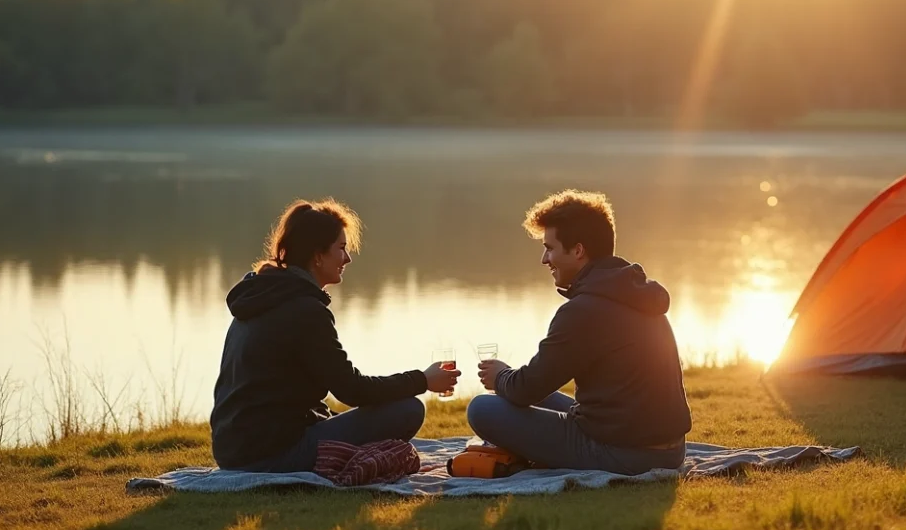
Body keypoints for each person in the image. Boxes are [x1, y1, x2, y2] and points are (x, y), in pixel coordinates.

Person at [210, 198, 459, 472]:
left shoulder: (261, 294)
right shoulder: (305, 310)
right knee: (409, 410)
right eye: (341, 248)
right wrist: (423, 380)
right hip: (271, 455)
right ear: (317, 255)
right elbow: (352, 389)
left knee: (351, 417)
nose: (348, 258)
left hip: (231, 450)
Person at [468, 190, 692, 475]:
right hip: (670, 448)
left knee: (482, 409)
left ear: (577, 250)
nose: (544, 259)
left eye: (549, 248)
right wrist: (508, 381)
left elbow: (526, 388)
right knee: (524, 396)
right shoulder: (632, 290)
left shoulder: (584, 310)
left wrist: (500, 376)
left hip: (625, 452)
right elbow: (536, 386)